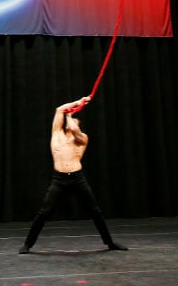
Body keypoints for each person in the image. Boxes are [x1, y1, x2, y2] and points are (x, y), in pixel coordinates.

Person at [19, 95, 128, 254]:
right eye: (71, 120)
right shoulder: (57, 134)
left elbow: (75, 128)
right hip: (59, 180)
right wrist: (79, 102)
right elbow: (59, 110)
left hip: (77, 178)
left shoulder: (82, 138)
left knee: (95, 211)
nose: (73, 121)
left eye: (76, 121)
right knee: (44, 212)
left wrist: (70, 115)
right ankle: (27, 245)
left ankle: (110, 243)